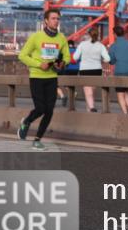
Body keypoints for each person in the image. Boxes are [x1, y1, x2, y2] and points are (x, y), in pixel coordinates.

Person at [17, 9, 71, 150]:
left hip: (52, 77)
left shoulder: (61, 38)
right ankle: (27, 121)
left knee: (49, 111)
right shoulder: (36, 37)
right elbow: (22, 55)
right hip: (37, 77)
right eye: (53, 18)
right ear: (46, 21)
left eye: (58, 18)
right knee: (40, 108)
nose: (56, 21)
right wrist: (39, 64)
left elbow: (67, 57)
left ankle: (37, 139)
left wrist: (62, 63)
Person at [73, 28, 110, 112]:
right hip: (97, 69)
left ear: (88, 35)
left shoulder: (82, 44)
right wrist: (100, 61)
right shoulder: (100, 45)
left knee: (87, 90)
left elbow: (75, 57)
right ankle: (89, 110)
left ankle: (92, 107)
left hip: (85, 69)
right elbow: (107, 59)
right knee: (91, 91)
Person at [107, 25, 128, 114]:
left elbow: (111, 61)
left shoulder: (113, 46)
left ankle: (125, 113)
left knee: (120, 93)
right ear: (123, 33)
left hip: (119, 72)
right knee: (125, 91)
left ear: (114, 34)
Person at [56, 40, 78, 109]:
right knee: (66, 83)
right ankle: (73, 93)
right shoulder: (75, 50)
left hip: (58, 69)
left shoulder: (60, 51)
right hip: (67, 69)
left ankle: (62, 96)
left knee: (54, 84)